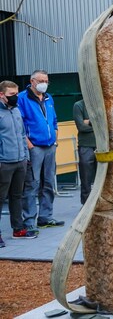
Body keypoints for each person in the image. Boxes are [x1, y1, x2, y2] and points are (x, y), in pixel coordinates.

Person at [18, 70, 64, 233]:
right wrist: (29, 145)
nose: (44, 83)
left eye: (46, 80)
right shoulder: (22, 98)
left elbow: (54, 120)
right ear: (32, 81)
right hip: (35, 147)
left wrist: (55, 138)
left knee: (49, 182)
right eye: (41, 80)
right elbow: (20, 124)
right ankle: (29, 220)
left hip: (50, 146)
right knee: (32, 184)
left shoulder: (48, 98)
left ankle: (45, 217)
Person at [0, 80, 37, 247]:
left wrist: (26, 157)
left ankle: (18, 229)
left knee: (17, 196)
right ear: (2, 95)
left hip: (20, 161)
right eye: (11, 95)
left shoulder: (16, 111)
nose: (15, 97)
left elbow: (22, 135)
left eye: (16, 93)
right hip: (4, 163)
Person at [73, 99, 96, 205]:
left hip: (103, 145)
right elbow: (81, 126)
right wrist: (97, 124)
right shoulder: (78, 105)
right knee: (86, 178)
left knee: (105, 177)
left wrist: (88, 121)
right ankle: (86, 204)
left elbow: (109, 124)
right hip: (86, 145)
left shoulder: (102, 103)